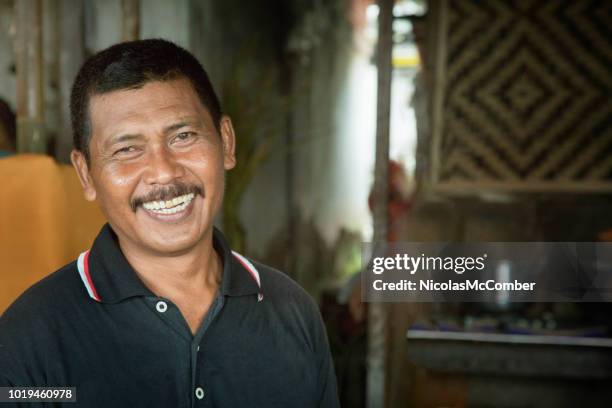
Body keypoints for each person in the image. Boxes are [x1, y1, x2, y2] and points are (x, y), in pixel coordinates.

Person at [0, 39, 340, 408]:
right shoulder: (30, 336)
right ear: (85, 174)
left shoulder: (291, 312)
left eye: (183, 136)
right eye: (127, 149)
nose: (163, 171)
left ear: (226, 142)